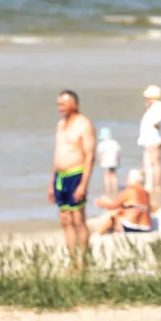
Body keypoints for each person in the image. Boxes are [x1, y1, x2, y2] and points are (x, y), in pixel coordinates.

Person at [49, 89, 95, 265]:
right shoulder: (61, 125)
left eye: (63, 104)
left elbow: (90, 155)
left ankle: (83, 260)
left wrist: (84, 183)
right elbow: (57, 153)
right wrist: (51, 181)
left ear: (74, 104)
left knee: (78, 219)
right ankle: (73, 260)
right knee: (65, 219)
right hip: (60, 175)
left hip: (76, 174)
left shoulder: (84, 124)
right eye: (59, 104)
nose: (60, 108)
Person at [91, 168, 153, 235]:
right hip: (147, 228)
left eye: (128, 178)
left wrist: (102, 203)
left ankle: (99, 235)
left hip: (131, 227)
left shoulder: (129, 191)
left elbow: (113, 206)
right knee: (120, 212)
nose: (126, 181)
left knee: (114, 218)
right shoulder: (146, 193)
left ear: (133, 180)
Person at [139, 85, 161, 208]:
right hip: (149, 140)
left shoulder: (157, 107)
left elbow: (156, 121)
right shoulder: (154, 107)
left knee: (155, 164)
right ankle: (150, 185)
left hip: (153, 139)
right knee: (150, 164)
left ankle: (157, 186)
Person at [96, 126, 122, 198]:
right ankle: (115, 190)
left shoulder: (102, 144)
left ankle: (107, 191)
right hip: (114, 161)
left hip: (106, 162)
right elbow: (118, 153)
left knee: (107, 176)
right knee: (114, 175)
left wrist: (100, 161)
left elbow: (100, 154)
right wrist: (118, 161)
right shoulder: (115, 143)